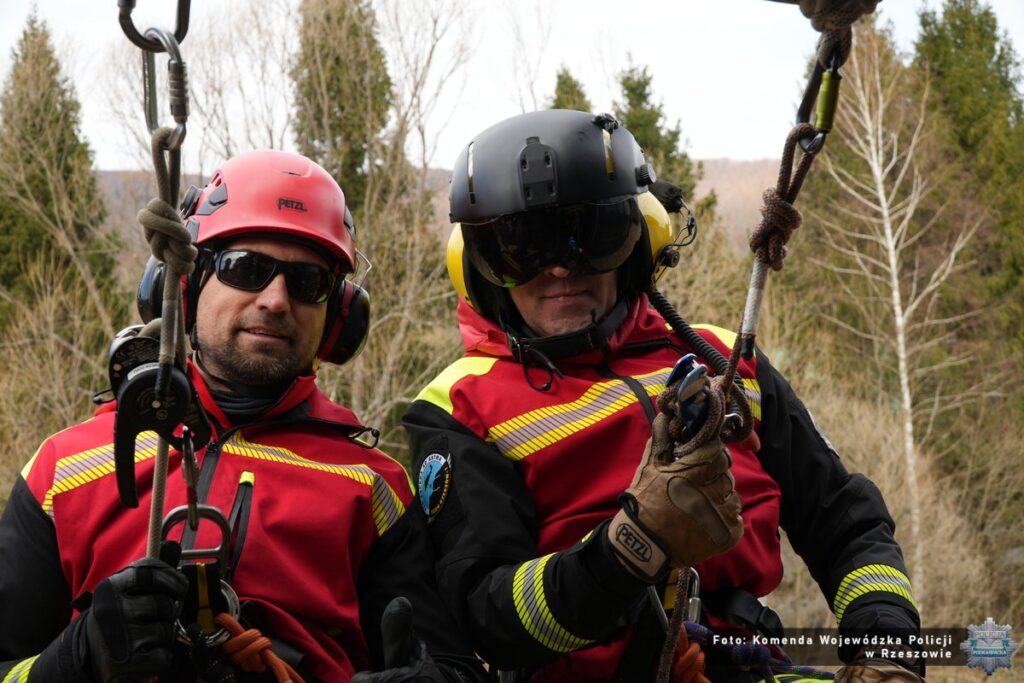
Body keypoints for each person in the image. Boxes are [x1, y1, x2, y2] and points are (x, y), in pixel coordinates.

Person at [402, 110, 923, 682]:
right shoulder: (459, 403)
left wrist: (888, 648)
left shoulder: (726, 359)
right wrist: (627, 551)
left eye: (589, 235)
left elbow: (845, 520)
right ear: (475, 267)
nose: (557, 267)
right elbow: (485, 614)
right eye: (518, 248)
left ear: (639, 239)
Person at [0, 150, 486, 683]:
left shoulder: (374, 491)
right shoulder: (64, 470)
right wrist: (76, 659)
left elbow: (454, 666)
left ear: (338, 315)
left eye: (307, 282)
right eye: (246, 269)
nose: (276, 300)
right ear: (187, 282)